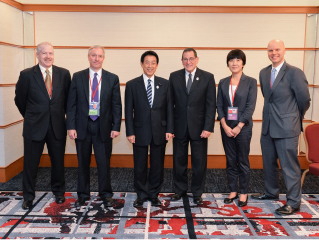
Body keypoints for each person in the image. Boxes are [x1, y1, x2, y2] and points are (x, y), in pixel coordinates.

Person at [251, 39, 311, 215]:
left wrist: (293, 117)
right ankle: (271, 193)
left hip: (287, 127)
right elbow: (268, 98)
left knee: (289, 166)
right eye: (270, 50)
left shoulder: (294, 73)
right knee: (269, 163)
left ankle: (293, 202)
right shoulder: (263, 72)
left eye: (277, 49)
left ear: (284, 50)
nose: (273, 53)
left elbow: (304, 100)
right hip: (268, 126)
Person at [15, 42, 71, 210]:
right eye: (44, 53)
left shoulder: (64, 74)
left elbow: (68, 100)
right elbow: (20, 100)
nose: (48, 57)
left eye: (51, 53)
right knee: (31, 164)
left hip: (57, 125)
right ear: (37, 55)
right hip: (34, 126)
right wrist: (31, 116)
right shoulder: (26, 75)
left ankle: (59, 192)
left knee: (58, 162)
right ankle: (28, 196)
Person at [66, 45, 122, 208]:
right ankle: (82, 194)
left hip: (103, 128)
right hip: (82, 127)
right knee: (82, 162)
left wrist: (116, 126)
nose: (96, 59)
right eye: (93, 55)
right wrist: (71, 126)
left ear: (103, 58)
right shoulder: (77, 77)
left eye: (100, 56)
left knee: (104, 163)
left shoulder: (112, 78)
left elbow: (116, 105)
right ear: (88, 57)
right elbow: (71, 104)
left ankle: (105, 194)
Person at [125, 51, 174, 207]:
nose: (150, 65)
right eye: (147, 62)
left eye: (153, 62)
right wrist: (130, 132)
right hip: (139, 131)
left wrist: (169, 129)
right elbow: (128, 110)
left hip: (160, 130)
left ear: (157, 65)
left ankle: (153, 194)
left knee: (157, 164)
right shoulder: (132, 84)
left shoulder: (165, 84)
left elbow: (169, 109)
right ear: (141, 64)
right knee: (139, 164)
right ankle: (141, 194)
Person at [169, 48, 216, 204]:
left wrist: (208, 127)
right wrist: (170, 127)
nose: (188, 62)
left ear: (197, 59)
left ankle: (197, 191)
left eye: (191, 58)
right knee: (178, 161)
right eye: (185, 59)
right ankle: (179, 190)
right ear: (181, 61)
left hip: (200, 128)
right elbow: (170, 104)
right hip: (179, 126)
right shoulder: (174, 76)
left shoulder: (207, 77)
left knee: (199, 162)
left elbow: (211, 105)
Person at [217, 49, 257, 207]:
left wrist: (239, 126)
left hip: (243, 127)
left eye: (238, 60)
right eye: (231, 60)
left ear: (243, 63)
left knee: (243, 160)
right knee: (230, 160)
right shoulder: (223, 82)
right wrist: (224, 124)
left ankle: (244, 193)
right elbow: (219, 105)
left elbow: (250, 107)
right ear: (228, 63)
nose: (234, 63)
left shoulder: (251, 82)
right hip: (226, 127)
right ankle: (233, 190)